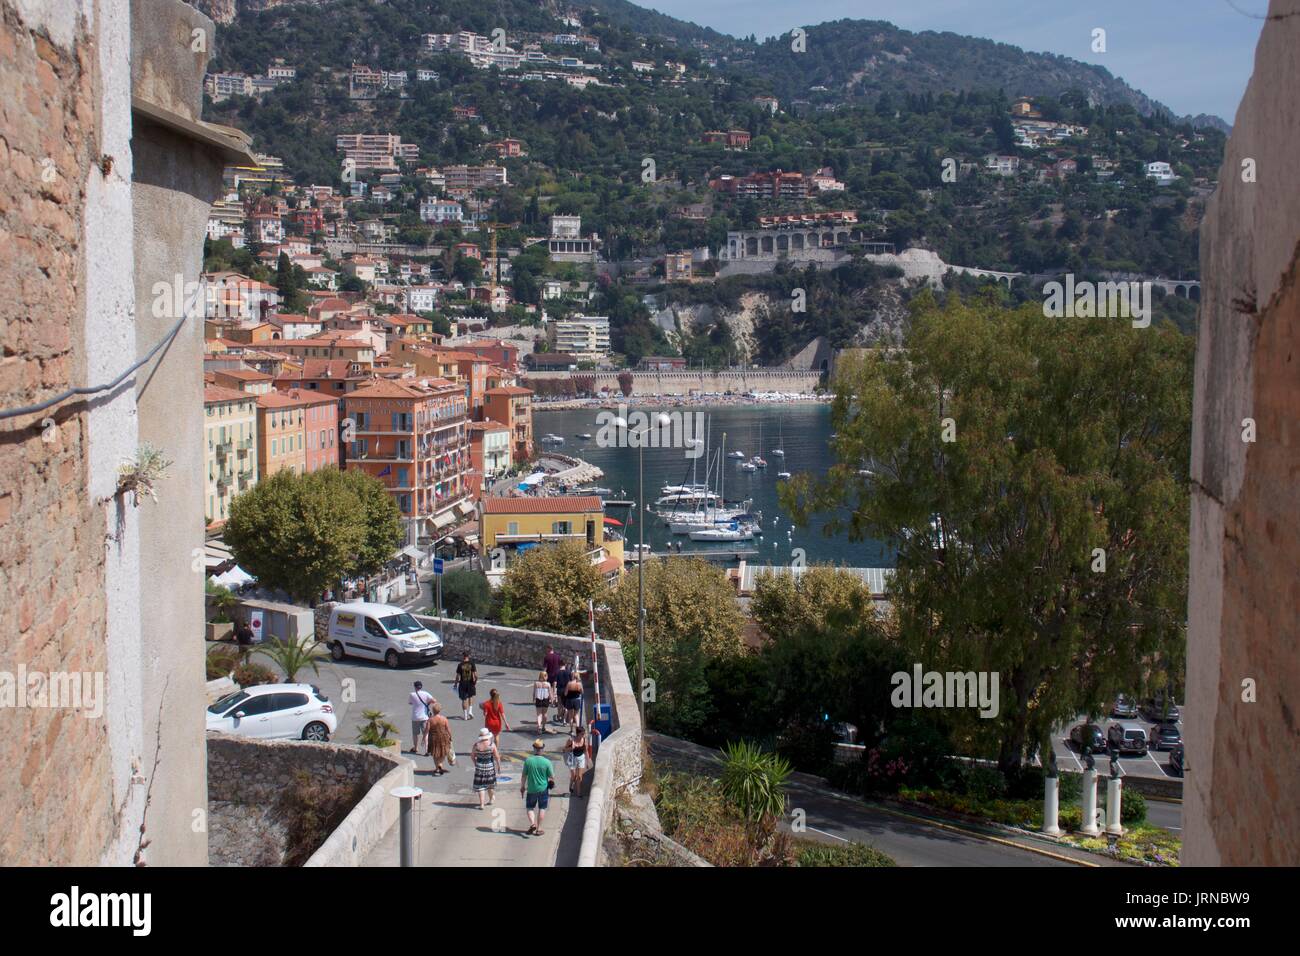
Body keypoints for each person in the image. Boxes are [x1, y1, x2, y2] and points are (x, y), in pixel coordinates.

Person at [520, 738, 554, 836]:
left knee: (530, 808)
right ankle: (539, 829)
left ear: (534, 749)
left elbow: (524, 776)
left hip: (531, 789)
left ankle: (532, 824)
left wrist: (522, 787)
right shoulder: (547, 762)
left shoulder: (528, 761)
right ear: (542, 749)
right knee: (542, 808)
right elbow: (551, 777)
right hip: (543, 789)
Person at [471, 727, 500, 809]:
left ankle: (481, 804)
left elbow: (472, 756)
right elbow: (497, 757)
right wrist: (498, 766)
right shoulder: (491, 744)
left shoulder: (476, 745)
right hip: (489, 767)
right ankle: (491, 799)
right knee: (490, 785)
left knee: (481, 787)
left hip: (479, 767)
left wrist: (476, 763)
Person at [424, 701, 453, 774]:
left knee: (435, 753)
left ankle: (437, 767)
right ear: (439, 710)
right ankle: (440, 764)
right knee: (443, 752)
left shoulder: (430, 720)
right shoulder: (444, 719)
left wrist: (423, 738)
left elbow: (427, 730)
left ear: (433, 711)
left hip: (434, 738)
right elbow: (448, 728)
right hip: (443, 737)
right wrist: (450, 736)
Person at [563, 725, 591, 798]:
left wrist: (587, 762)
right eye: (582, 734)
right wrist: (570, 748)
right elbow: (564, 750)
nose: (583, 735)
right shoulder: (571, 740)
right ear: (578, 734)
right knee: (574, 776)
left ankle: (579, 793)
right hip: (572, 758)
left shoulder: (584, 740)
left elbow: (586, 751)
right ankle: (571, 785)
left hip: (581, 758)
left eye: (584, 734)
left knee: (579, 777)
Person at [408, 681, 434, 754]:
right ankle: (426, 750)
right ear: (421, 687)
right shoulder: (426, 693)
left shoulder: (412, 694)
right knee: (425, 734)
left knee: (415, 734)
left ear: (415, 687)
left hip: (415, 717)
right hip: (424, 717)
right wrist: (427, 704)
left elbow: (410, 703)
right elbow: (434, 700)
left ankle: (415, 748)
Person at [454, 652, 478, 720]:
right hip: (470, 683)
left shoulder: (460, 665)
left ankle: (465, 716)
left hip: (462, 684)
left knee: (464, 699)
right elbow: (476, 675)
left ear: (463, 656)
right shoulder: (472, 664)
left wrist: (455, 684)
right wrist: (475, 682)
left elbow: (457, 677)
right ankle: (470, 711)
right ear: (468, 656)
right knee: (470, 696)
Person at [551, 662, 571, 726]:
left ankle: (559, 716)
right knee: (566, 706)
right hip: (567, 691)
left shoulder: (557, 672)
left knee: (559, 704)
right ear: (564, 665)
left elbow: (555, 683)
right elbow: (571, 682)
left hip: (559, 690)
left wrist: (554, 692)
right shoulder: (568, 672)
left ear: (559, 665)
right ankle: (564, 720)